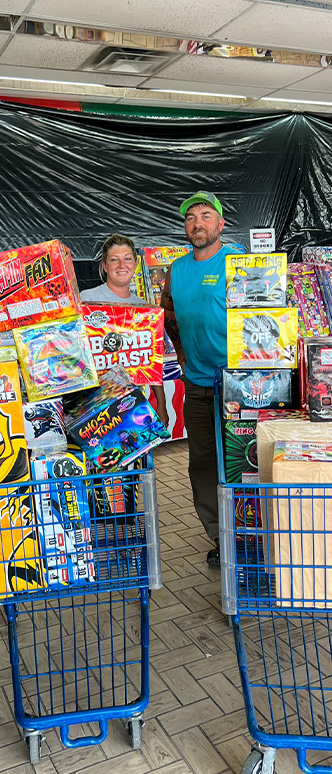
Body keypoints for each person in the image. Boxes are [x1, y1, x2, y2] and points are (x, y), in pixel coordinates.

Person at [161, 191, 244, 566]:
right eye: (191, 217)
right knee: (203, 464)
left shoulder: (239, 260)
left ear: (221, 223)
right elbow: (170, 316)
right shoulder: (176, 270)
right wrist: (181, 355)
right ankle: (221, 537)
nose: (197, 223)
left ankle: (251, 535)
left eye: (206, 216)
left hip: (242, 384)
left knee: (242, 461)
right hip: (196, 384)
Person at [81, 233, 169, 428]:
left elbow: (152, 363)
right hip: (94, 405)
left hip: (134, 403)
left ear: (135, 263)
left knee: (138, 457)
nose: (122, 265)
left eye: (127, 259)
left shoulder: (145, 310)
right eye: (114, 260)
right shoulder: (87, 300)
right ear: (105, 266)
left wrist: (162, 405)